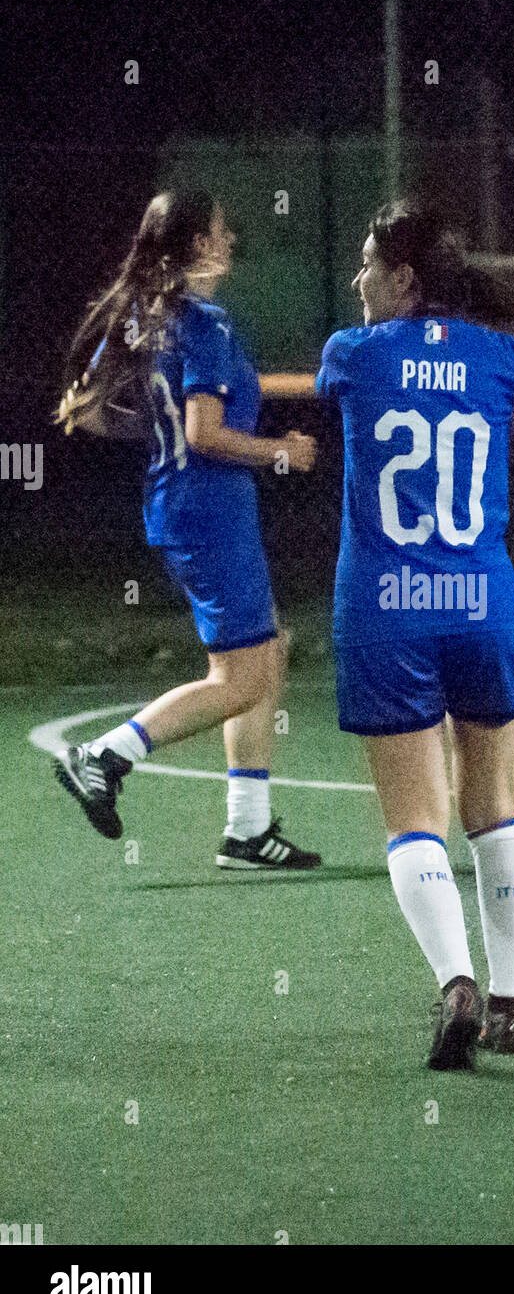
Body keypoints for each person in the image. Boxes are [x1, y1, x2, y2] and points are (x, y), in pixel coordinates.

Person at [316, 199, 514, 1070]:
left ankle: (455, 982)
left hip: (384, 613)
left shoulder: (349, 356)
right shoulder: (505, 359)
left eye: (368, 265)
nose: (357, 281)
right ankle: (511, 1001)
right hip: (481, 606)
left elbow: (356, 392)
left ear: (406, 280)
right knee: (495, 810)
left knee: (414, 821)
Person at [54, 188, 321, 870]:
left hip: (176, 505)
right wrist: (281, 451)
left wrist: (158, 434)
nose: (231, 242)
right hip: (209, 510)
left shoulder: (142, 317)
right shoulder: (205, 323)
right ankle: (105, 755)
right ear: (198, 244)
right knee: (242, 679)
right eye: (223, 232)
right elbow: (205, 434)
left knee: (264, 652)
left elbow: (84, 412)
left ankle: (247, 830)